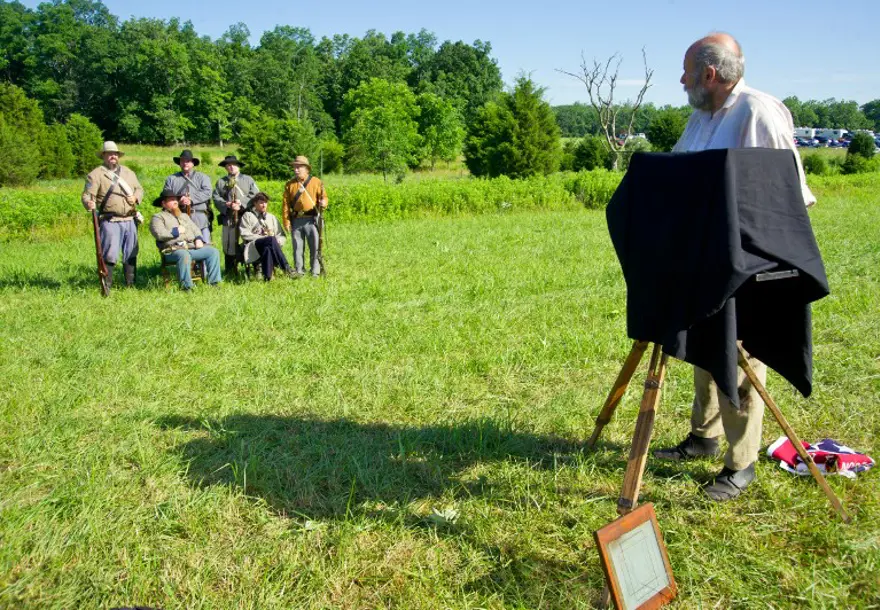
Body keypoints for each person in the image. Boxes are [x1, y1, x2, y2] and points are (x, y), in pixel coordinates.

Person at [653, 33, 817, 501]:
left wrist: (748, 263)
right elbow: (682, 175)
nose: (681, 79)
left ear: (709, 73)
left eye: (686, 71)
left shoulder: (757, 112)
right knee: (702, 345)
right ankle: (703, 436)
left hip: (744, 265)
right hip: (701, 259)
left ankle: (740, 463)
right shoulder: (700, 117)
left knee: (740, 361)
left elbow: (782, 200)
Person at [81, 141, 145, 288]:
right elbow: (86, 195)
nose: (113, 156)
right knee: (110, 254)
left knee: (131, 253)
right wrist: (88, 203)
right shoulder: (95, 175)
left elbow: (139, 189)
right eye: (109, 153)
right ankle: (107, 285)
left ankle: (131, 285)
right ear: (103, 156)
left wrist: (135, 197)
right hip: (110, 220)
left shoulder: (129, 173)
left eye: (115, 154)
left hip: (130, 219)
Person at [149, 189, 222, 290]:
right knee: (183, 254)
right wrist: (176, 232)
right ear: (163, 203)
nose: (175, 201)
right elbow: (159, 234)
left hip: (191, 248)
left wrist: (198, 239)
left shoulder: (184, 216)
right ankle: (186, 287)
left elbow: (195, 229)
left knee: (212, 251)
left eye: (176, 199)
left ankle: (214, 283)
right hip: (172, 251)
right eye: (171, 199)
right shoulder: (158, 217)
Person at [282, 155, 328, 277]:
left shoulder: (316, 182)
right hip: (296, 219)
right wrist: (286, 222)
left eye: (299, 167)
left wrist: (324, 203)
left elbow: (324, 198)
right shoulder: (289, 184)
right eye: (295, 167)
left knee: (315, 247)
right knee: (297, 248)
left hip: (312, 219)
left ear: (306, 169)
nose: (296, 170)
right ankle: (299, 271)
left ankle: (315, 272)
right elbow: (285, 205)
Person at [212, 154, 259, 274]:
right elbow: (216, 197)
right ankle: (230, 270)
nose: (231, 167)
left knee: (251, 240)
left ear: (238, 166)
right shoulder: (221, 182)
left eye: (233, 164)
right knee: (229, 243)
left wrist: (241, 203)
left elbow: (255, 195)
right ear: (225, 167)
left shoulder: (248, 180)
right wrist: (226, 204)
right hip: (229, 216)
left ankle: (256, 268)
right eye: (228, 165)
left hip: (246, 215)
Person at [239, 192, 296, 281]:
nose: (264, 205)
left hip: (270, 245)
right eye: (261, 202)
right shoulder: (248, 216)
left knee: (268, 247)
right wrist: (262, 238)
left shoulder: (272, 217)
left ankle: (268, 276)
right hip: (254, 245)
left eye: (265, 202)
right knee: (270, 239)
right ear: (255, 203)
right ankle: (286, 268)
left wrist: (279, 241)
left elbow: (281, 235)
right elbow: (244, 233)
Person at [163, 149, 214, 243]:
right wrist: (179, 200)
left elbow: (208, 192)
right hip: (178, 218)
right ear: (179, 163)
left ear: (193, 163)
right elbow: (166, 196)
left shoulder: (203, 177)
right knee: (181, 248)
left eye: (188, 161)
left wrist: (191, 199)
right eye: (182, 161)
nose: (185, 163)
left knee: (205, 247)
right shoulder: (171, 179)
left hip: (199, 218)